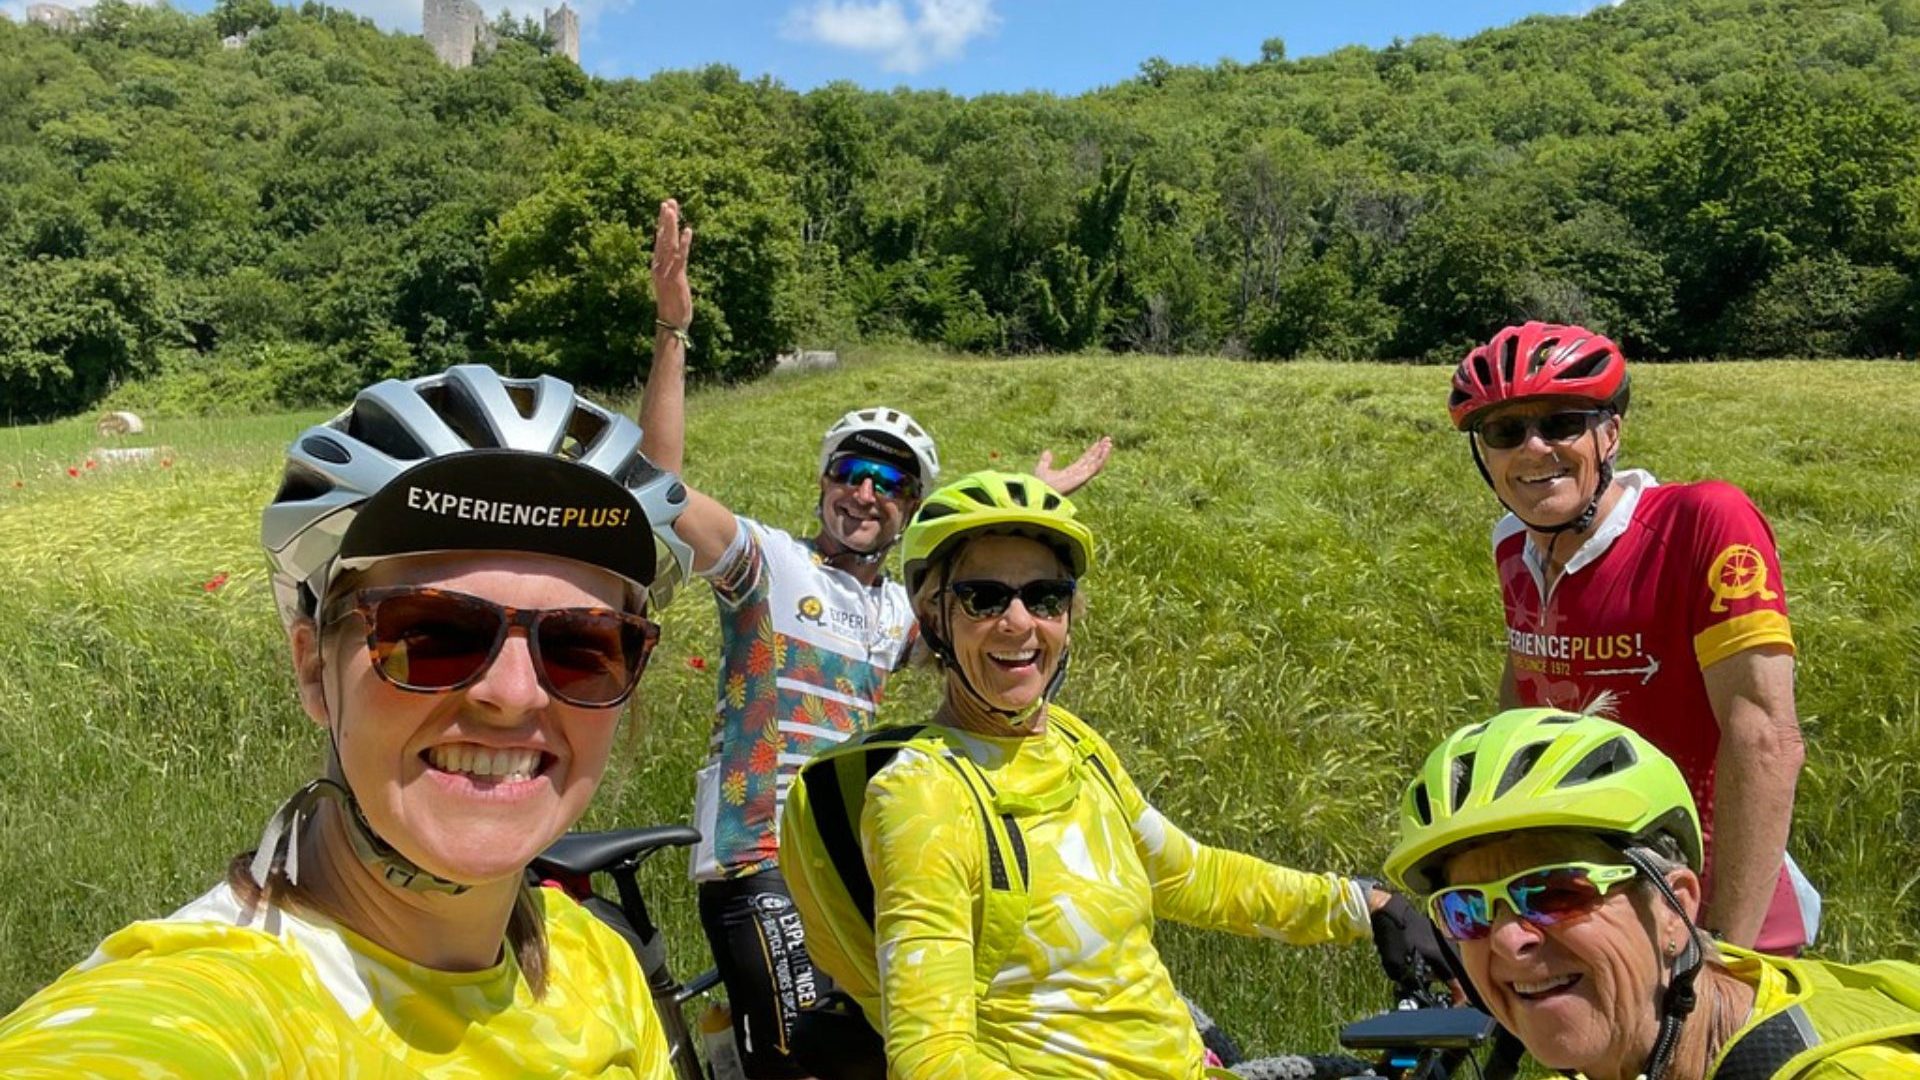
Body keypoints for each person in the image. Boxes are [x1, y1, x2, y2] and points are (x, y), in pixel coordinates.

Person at [0, 365, 693, 1076]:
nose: (514, 694)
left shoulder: (602, 964)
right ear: (312, 669)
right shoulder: (212, 1006)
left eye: (581, 648)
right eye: (433, 634)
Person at [639, 199, 1112, 1078]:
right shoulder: (767, 563)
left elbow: (993, 622)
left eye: (889, 482)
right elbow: (656, 485)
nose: (865, 493)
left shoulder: (902, 611)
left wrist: (1033, 504)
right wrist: (673, 331)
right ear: (824, 481)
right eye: (850, 471)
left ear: (909, 509)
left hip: (846, 859)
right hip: (756, 855)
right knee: (804, 1063)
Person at [783, 470, 1443, 1079]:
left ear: (1069, 616)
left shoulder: (1074, 745)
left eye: (1045, 596)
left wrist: (1363, 904)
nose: (1019, 623)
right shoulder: (921, 798)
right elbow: (934, 1058)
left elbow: (1190, 875)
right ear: (933, 617)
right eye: (983, 598)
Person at [1448, 321, 1815, 954]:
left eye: (1562, 423)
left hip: (1714, 896)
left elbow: (1766, 739)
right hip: (1582, 894)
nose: (1533, 448)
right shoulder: (1510, 543)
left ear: (1610, 433)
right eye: (1504, 432)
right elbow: (1524, 686)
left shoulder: (1702, 521)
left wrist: (1723, 950)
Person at [1384, 707, 1920, 1080]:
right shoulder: (1628, 1042)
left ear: (1673, 908)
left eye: (1553, 892)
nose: (1506, 940)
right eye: (1465, 910)